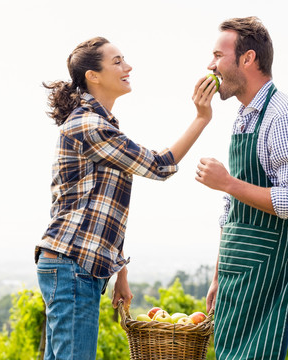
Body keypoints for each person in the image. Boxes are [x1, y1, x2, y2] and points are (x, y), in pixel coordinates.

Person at [35, 36, 216, 360]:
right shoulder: (89, 125)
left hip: (73, 264)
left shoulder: (97, 124)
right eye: (117, 61)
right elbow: (159, 166)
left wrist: (120, 271)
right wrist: (201, 118)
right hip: (73, 265)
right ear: (93, 75)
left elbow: (100, 208)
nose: (127, 67)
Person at [195, 17, 288, 360]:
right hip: (238, 270)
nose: (210, 64)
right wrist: (219, 274)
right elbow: (232, 208)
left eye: (218, 54)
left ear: (247, 59)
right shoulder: (244, 116)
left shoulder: (286, 116)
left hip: (271, 268)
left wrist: (226, 182)